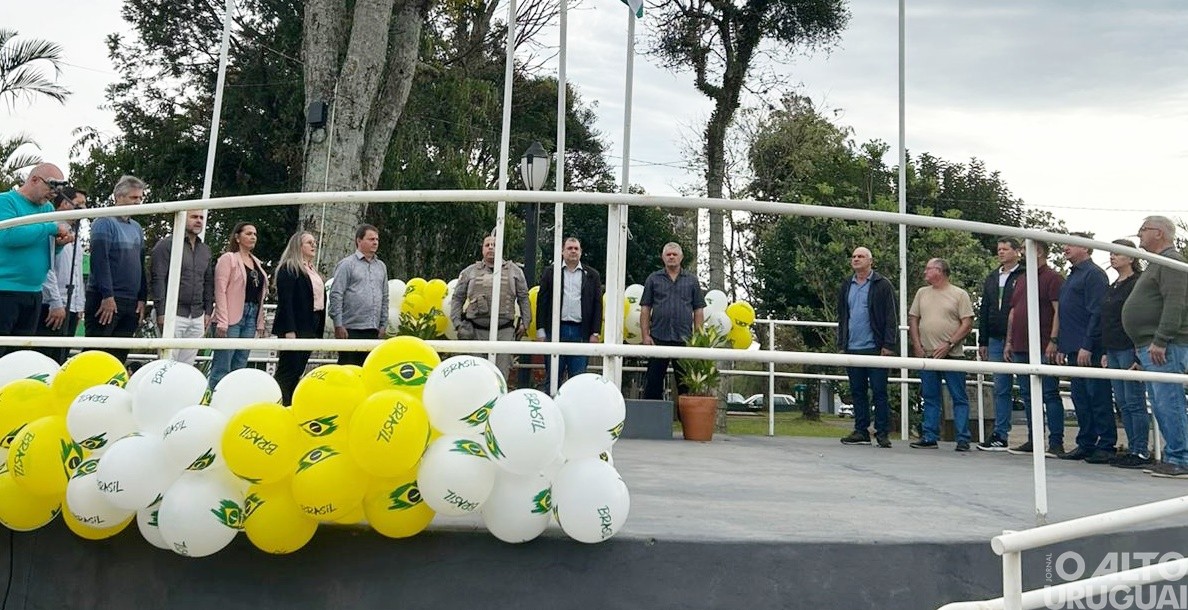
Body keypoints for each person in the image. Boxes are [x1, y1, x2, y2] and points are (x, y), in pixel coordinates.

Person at [1122, 216, 1188, 479]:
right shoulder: (1156, 264)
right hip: (1151, 346)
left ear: (1158, 233)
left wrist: (1161, 339)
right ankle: (1176, 455)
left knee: (1168, 401)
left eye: (1143, 229)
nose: (1139, 234)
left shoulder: (1170, 262)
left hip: (1164, 346)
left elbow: (1175, 303)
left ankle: (1180, 458)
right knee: (1162, 403)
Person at [0, 164, 75, 357]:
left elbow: (46, 250)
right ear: (34, 180)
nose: (53, 194)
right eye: (51, 187)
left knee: (20, 356)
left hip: (34, 293)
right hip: (5, 291)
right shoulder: (6, 201)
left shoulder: (48, 208)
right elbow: (8, 236)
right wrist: (50, 228)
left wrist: (59, 244)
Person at [1056, 233, 1114, 464]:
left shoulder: (1094, 275)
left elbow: (1096, 312)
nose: (1065, 247)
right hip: (1072, 347)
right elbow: (1065, 313)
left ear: (1086, 248)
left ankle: (1107, 443)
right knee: (1080, 397)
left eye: (1071, 244)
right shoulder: (1072, 276)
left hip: (1088, 348)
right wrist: (1062, 344)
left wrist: (1087, 345)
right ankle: (1086, 442)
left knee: (1097, 396)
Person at [1004, 240, 1065, 458]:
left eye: (1024, 249)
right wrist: (1009, 341)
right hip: (1020, 346)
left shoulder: (1053, 278)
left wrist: (1054, 340)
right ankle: (1034, 439)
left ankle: (1056, 441)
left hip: (1042, 346)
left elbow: (1058, 310)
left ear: (1038, 251)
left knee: (1049, 393)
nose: (1021, 253)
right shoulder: (1021, 279)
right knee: (1028, 395)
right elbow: (1013, 311)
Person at [908, 258, 975, 451]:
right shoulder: (922, 293)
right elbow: (913, 318)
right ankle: (929, 436)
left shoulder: (959, 294)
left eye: (928, 269)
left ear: (939, 271)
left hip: (953, 355)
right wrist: (917, 345)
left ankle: (963, 438)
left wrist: (949, 343)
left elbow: (967, 323)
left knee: (959, 397)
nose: (924, 272)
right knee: (930, 397)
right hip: (927, 355)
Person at [1093, 238, 1148, 469]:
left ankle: (1140, 450)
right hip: (1113, 348)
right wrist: (1105, 349)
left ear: (1131, 257)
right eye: (1111, 253)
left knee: (1134, 400)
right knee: (1123, 402)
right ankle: (1132, 447)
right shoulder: (1113, 285)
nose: (1112, 257)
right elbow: (1108, 319)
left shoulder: (1138, 283)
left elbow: (1140, 316)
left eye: (1117, 253)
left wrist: (1138, 355)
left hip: (1129, 346)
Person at [837, 247, 898, 448]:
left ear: (870, 261)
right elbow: (842, 316)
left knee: (880, 391)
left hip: (875, 347)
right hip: (852, 347)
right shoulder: (846, 284)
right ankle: (861, 430)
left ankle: (882, 433)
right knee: (857, 391)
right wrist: (841, 343)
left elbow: (891, 316)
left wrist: (888, 345)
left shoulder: (883, 285)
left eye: (860, 256)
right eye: (853, 256)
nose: (856, 259)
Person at [85, 175, 148, 366]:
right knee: (96, 353)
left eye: (140, 198)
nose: (138, 202)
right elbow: (99, 260)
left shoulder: (137, 228)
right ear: (118, 197)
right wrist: (107, 295)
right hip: (106, 298)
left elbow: (140, 263)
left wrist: (142, 298)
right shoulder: (103, 222)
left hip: (130, 301)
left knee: (118, 357)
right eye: (133, 198)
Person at [450, 234, 530, 380]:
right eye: (487, 245)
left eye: (494, 244)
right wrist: (457, 323)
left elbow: (524, 297)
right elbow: (457, 298)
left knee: (501, 375)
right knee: (476, 374)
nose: (491, 248)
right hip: (475, 331)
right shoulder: (470, 271)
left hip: (504, 331)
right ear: (482, 250)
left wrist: (526, 322)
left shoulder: (515, 271)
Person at [976, 238, 1026, 451]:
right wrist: (983, 340)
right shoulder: (992, 277)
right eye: (999, 249)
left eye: (1006, 249)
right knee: (1000, 387)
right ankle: (1000, 433)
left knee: (1026, 386)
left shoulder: (1024, 275)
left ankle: (1035, 437)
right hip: (995, 338)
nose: (1001, 253)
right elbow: (985, 308)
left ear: (1017, 252)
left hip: (1019, 337)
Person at [639, 242, 706, 401]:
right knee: (653, 385)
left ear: (681, 257)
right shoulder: (653, 279)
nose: (671, 257)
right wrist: (645, 336)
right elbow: (645, 308)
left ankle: (688, 425)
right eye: (668, 254)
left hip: (685, 340)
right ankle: (653, 423)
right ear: (663, 257)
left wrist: (698, 339)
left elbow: (698, 310)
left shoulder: (691, 280)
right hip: (657, 339)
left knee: (687, 388)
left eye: (674, 254)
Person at [535, 237, 603, 389]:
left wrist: (596, 333)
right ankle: (551, 410)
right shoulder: (551, 272)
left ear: (581, 252)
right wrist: (540, 331)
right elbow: (542, 302)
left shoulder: (592, 275)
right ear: (562, 251)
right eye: (570, 248)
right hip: (556, 330)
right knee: (552, 378)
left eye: (576, 248)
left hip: (581, 332)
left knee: (578, 380)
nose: (573, 251)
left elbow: (598, 305)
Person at [149, 210, 214, 365]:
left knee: (187, 366)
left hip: (197, 315)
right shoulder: (165, 245)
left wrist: (208, 311)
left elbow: (208, 281)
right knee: (166, 363)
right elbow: (157, 278)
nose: (198, 221)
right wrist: (162, 312)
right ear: (181, 219)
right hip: (173, 313)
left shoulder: (205, 250)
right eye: (194, 217)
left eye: (201, 218)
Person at [209, 222, 269, 389]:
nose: (253, 237)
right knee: (223, 365)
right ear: (237, 237)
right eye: (248, 233)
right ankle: (213, 398)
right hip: (231, 316)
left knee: (240, 363)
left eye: (255, 234)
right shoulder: (228, 259)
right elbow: (220, 290)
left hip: (251, 314)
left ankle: (232, 398)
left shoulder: (256, 262)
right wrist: (222, 320)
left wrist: (260, 321)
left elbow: (260, 295)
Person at [272, 232, 326, 405]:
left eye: (314, 242)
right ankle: (280, 402)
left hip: (312, 321)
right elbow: (285, 302)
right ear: (298, 246)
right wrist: (289, 330)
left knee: (298, 368)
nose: (314, 245)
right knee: (288, 369)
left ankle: (290, 402)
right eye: (309, 242)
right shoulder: (289, 269)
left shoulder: (311, 269)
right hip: (296, 324)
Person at [36, 187, 87, 363]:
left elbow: (77, 271)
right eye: (79, 204)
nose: (84, 209)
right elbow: (46, 267)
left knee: (61, 357)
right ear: (65, 203)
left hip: (71, 306)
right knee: (44, 357)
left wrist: (80, 304)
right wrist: (55, 301)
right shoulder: (49, 226)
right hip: (52, 305)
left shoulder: (75, 234)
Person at [329, 224, 388, 367]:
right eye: (371, 239)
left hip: (373, 329)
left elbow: (385, 296)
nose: (375, 242)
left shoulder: (381, 266)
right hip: (350, 328)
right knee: (348, 369)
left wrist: (383, 324)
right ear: (359, 241)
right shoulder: (347, 265)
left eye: (377, 239)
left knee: (368, 368)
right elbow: (336, 294)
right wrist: (338, 324)